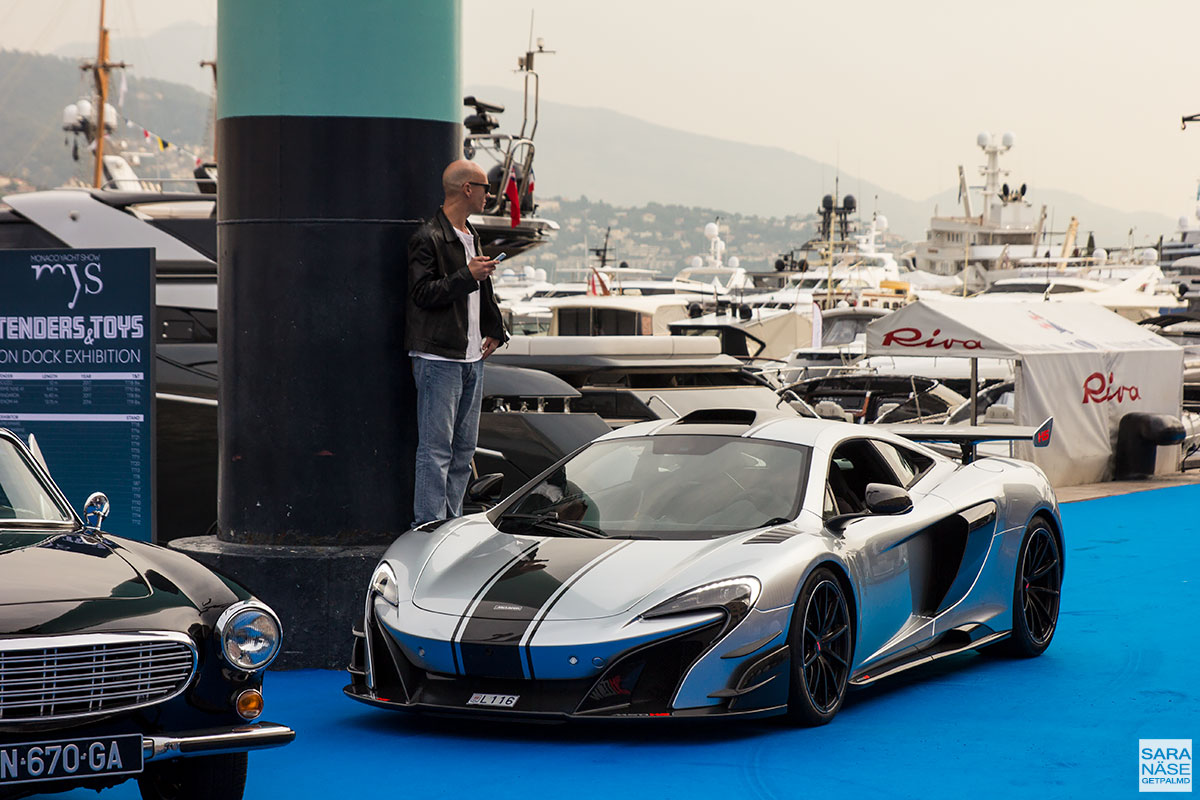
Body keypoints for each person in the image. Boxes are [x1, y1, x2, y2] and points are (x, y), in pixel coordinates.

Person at [406, 160, 508, 525]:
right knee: (436, 451)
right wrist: (468, 274)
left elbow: (481, 292)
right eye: (485, 187)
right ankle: (429, 526)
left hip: (470, 358)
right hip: (439, 358)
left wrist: (496, 328)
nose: (489, 194)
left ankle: (451, 523)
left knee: (463, 450)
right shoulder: (428, 237)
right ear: (467, 189)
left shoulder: (471, 234)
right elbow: (422, 294)